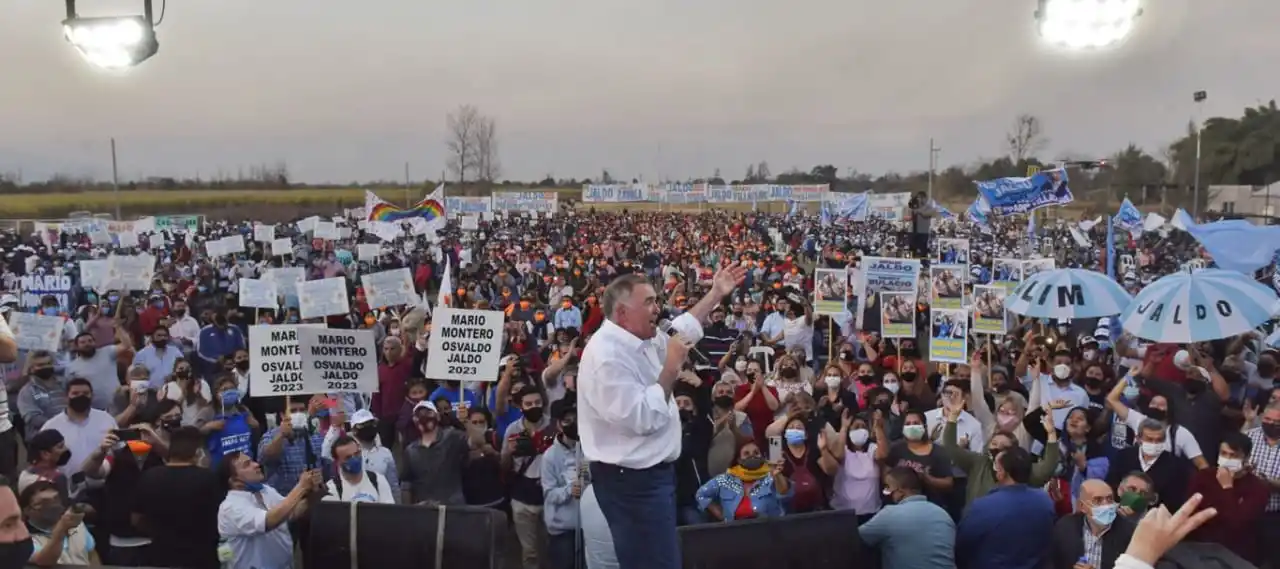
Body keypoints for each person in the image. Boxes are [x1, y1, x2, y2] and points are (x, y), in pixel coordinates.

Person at [577, 266, 744, 569]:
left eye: (657, 300)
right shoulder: (606, 357)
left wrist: (715, 294)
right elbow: (643, 419)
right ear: (623, 312)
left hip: (652, 478)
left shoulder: (640, 336)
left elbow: (683, 328)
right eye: (650, 302)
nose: (659, 308)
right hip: (632, 484)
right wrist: (671, 368)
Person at [132, 425, 222, 569]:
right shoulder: (207, 479)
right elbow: (220, 518)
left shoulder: (149, 477)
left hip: (161, 556)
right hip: (201, 558)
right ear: (198, 452)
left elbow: (136, 519)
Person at [215, 451, 320, 569]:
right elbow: (268, 521)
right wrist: (301, 487)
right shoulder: (231, 507)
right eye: (247, 464)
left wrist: (315, 495)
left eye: (252, 461)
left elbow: (291, 512)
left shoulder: (265, 490)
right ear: (234, 481)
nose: (256, 465)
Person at [955, 446, 1056, 569]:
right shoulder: (1045, 501)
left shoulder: (982, 507)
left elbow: (962, 547)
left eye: (997, 467)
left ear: (1002, 473)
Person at [1185, 432, 1269, 564]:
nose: (1227, 459)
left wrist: (1227, 488)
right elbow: (1191, 511)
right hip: (1199, 548)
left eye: (1233, 456)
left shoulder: (1258, 488)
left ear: (1246, 458)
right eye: (1224, 453)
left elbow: (1237, 524)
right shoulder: (1203, 477)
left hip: (1235, 553)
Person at [858, 466, 955, 569]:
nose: (886, 493)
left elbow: (855, 538)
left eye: (888, 488)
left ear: (900, 492)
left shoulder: (890, 515)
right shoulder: (943, 515)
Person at [40, 378, 116, 489]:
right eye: (75, 393)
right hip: (67, 489)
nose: (81, 396)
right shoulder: (51, 426)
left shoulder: (106, 419)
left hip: (104, 486)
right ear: (66, 397)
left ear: (92, 396)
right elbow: (43, 460)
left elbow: (117, 450)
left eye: (86, 393)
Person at [1048, 479, 1136, 569]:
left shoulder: (1130, 533)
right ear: (1082, 506)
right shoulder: (1065, 527)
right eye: (1098, 500)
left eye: (1109, 499)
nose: (1106, 505)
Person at [540, 399, 586, 569]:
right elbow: (549, 493)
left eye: (576, 420)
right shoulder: (550, 457)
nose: (572, 424)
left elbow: (590, 478)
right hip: (562, 528)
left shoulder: (587, 451)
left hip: (585, 525)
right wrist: (569, 491)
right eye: (567, 421)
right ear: (559, 425)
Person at [694, 441, 789, 521]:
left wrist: (777, 474)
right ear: (739, 459)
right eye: (746, 454)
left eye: (756, 453)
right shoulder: (725, 479)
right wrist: (719, 514)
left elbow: (784, 493)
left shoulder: (770, 476)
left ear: (762, 457)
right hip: (735, 534)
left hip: (769, 533)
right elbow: (701, 494)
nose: (752, 456)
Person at [400, 401, 469, 505]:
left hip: (453, 508)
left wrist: (466, 423)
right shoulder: (410, 451)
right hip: (425, 512)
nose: (423, 416)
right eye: (419, 414)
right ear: (414, 419)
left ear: (437, 416)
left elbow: (475, 442)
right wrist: (409, 511)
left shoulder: (452, 437)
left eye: (428, 412)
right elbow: (406, 485)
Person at [21, 480, 95, 567]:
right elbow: (44, 561)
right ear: (27, 510)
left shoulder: (77, 526)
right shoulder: (23, 539)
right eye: (45, 502)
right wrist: (61, 531)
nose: (53, 505)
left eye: (56, 499)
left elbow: (92, 556)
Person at [323, 433, 395, 503]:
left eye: (357, 453)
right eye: (348, 457)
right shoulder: (331, 489)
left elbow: (389, 513)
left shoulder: (378, 480)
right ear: (338, 462)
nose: (355, 459)